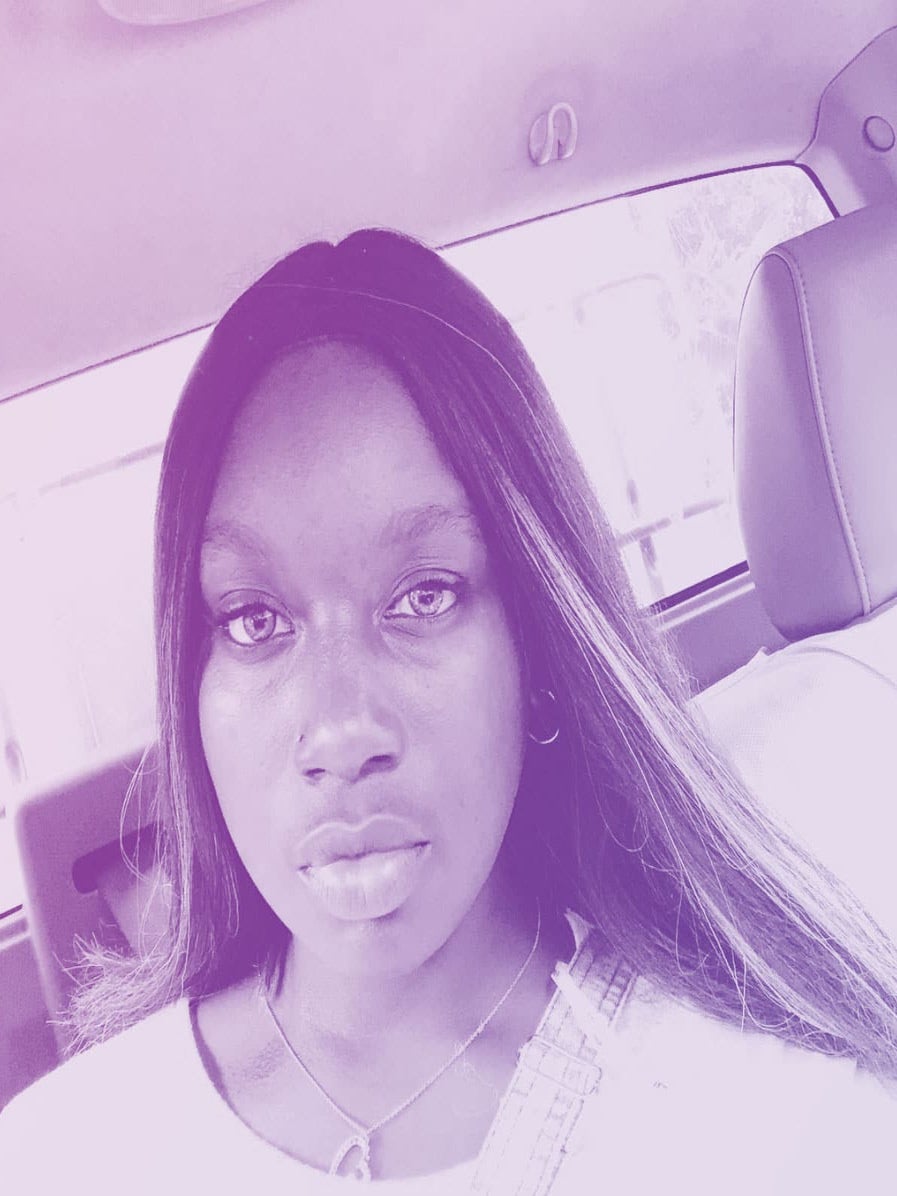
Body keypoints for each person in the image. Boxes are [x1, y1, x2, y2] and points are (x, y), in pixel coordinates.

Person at [1, 229, 895, 1193]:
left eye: (424, 596)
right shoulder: (60, 1154)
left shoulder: (775, 1114)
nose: (340, 735)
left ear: (537, 648)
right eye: (254, 619)